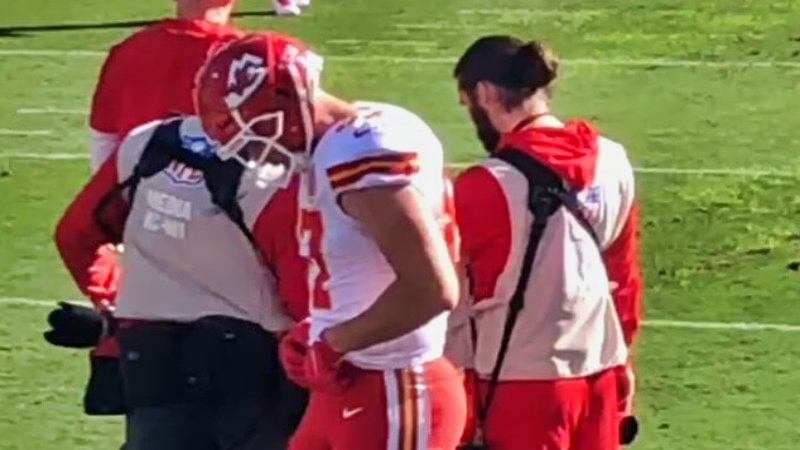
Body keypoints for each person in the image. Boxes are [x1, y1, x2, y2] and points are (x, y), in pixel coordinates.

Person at [193, 31, 467, 450]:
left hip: (395, 385)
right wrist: (319, 329)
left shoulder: (361, 153)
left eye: (255, 135)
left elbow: (431, 289)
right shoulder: (350, 137)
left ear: (286, 98)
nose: (255, 156)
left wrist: (334, 341)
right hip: (349, 381)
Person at [54, 114, 308, 450]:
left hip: (150, 354)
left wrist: (114, 302)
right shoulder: (276, 171)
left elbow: (75, 235)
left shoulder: (145, 143)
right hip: (254, 361)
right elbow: (301, 287)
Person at [450, 35, 643, 450]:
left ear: (484, 93)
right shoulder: (612, 160)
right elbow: (623, 277)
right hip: (601, 375)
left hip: (520, 388)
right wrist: (624, 358)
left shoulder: (485, 185)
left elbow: (453, 302)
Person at [89, 0, 242, 172]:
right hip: (219, 192)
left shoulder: (128, 50)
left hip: (137, 190)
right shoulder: (251, 58)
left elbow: (104, 142)